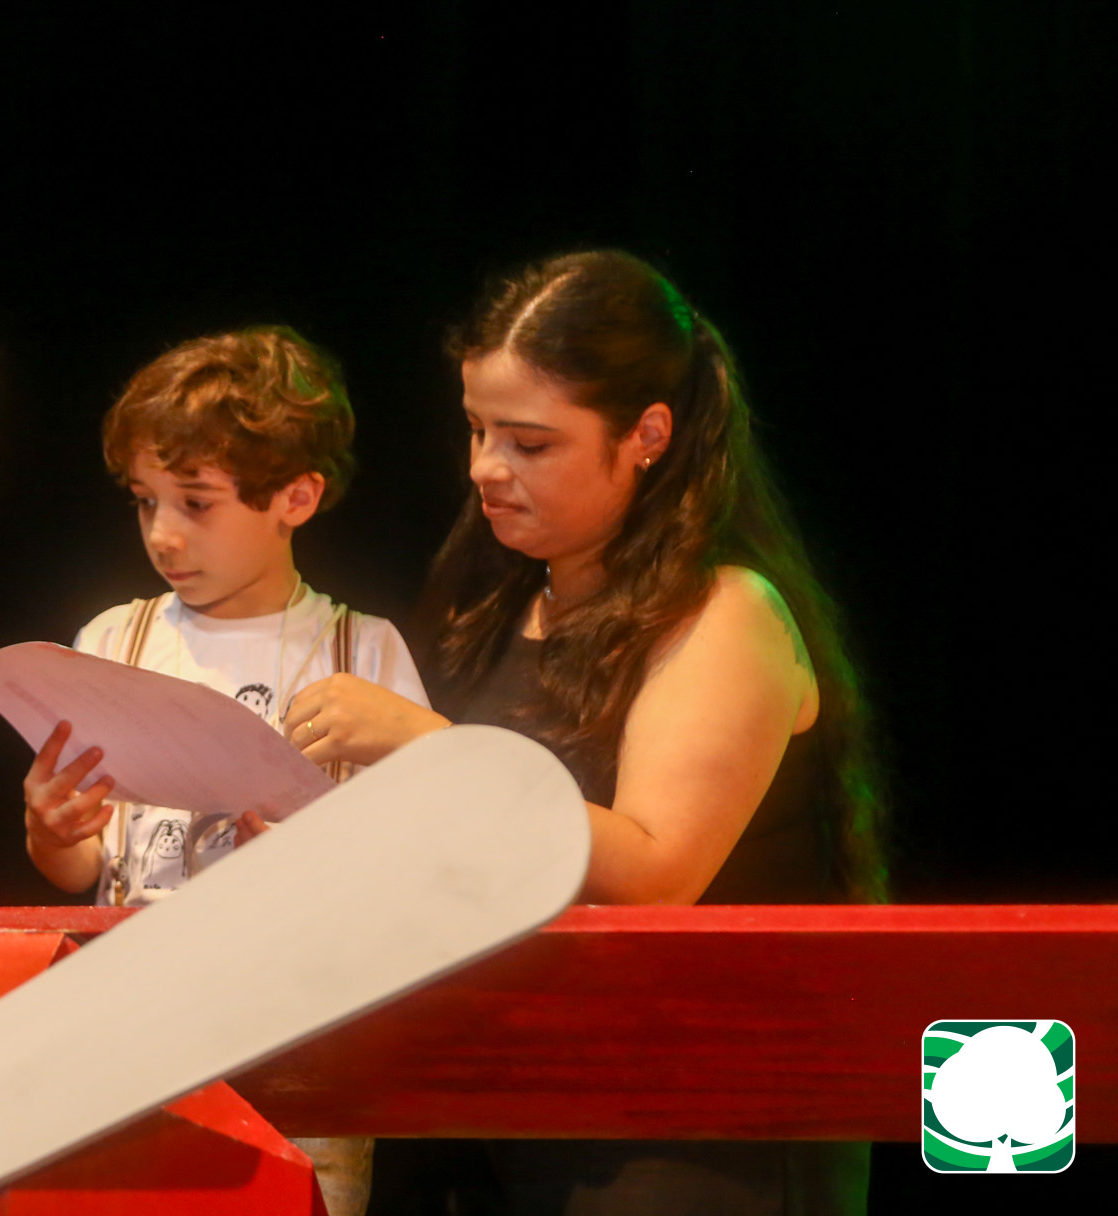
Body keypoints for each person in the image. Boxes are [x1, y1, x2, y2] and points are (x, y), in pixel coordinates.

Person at [280, 250, 886, 1214]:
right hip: (509, 1107)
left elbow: (653, 873)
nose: (485, 468)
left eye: (530, 443)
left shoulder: (727, 612)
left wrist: (427, 745)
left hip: (685, 1132)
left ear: (648, 435)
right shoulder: (500, 603)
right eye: (478, 429)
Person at [20, 326, 429, 1216]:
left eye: (196, 504)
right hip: (130, 1037)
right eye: (145, 502)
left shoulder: (362, 651)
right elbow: (86, 868)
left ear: (296, 497)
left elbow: (417, 870)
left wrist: (316, 864)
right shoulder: (113, 640)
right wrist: (52, 829)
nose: (164, 535)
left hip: (296, 1045)